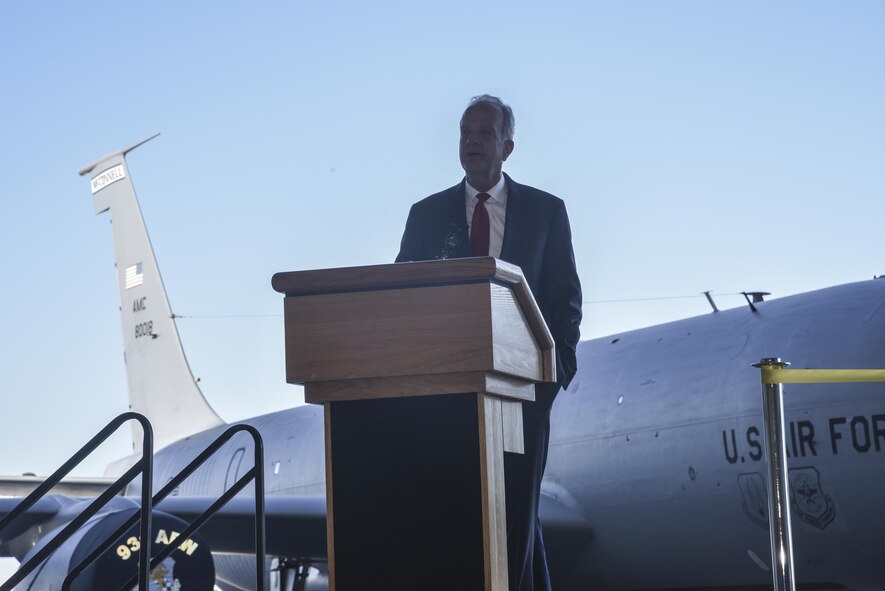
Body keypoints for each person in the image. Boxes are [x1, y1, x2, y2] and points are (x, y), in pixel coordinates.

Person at [396, 95, 582, 591]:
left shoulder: (546, 213)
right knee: (468, 520)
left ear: (507, 146)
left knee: (518, 515)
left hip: (525, 395)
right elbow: (401, 299)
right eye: (465, 132)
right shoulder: (426, 215)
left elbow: (565, 300)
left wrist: (556, 372)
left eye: (483, 133)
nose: (472, 142)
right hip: (447, 401)